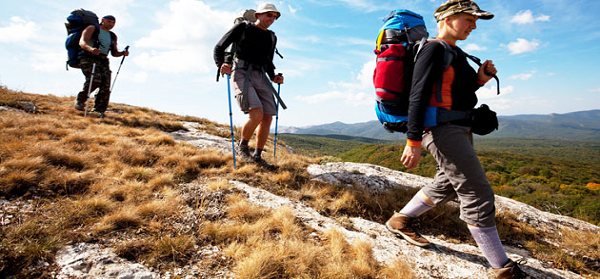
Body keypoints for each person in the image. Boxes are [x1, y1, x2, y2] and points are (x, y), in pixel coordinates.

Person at [383, 1, 531, 278]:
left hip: (457, 127)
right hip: (439, 130)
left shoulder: (454, 51)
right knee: (477, 192)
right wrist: (412, 140)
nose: (474, 26)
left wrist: (480, 79)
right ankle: (502, 268)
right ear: (448, 18)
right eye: (469, 19)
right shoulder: (432, 49)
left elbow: (453, 91)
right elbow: (418, 96)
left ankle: (400, 220)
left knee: (448, 183)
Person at [214, 3, 284, 170]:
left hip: (260, 74)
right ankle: (243, 147)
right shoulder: (242, 28)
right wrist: (220, 64)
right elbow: (219, 47)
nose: (272, 19)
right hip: (241, 72)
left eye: (275, 17)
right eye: (269, 15)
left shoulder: (271, 37)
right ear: (258, 15)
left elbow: (268, 61)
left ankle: (258, 156)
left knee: (268, 116)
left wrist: (274, 76)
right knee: (257, 113)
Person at [74, 15, 129, 118]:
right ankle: (80, 100)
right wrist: (91, 49)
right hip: (88, 57)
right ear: (102, 20)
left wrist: (122, 53)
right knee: (95, 79)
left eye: (113, 23)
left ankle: (98, 110)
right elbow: (82, 42)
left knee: (105, 85)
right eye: (109, 21)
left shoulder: (112, 36)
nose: (111, 24)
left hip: (103, 60)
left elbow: (114, 52)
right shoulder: (92, 28)